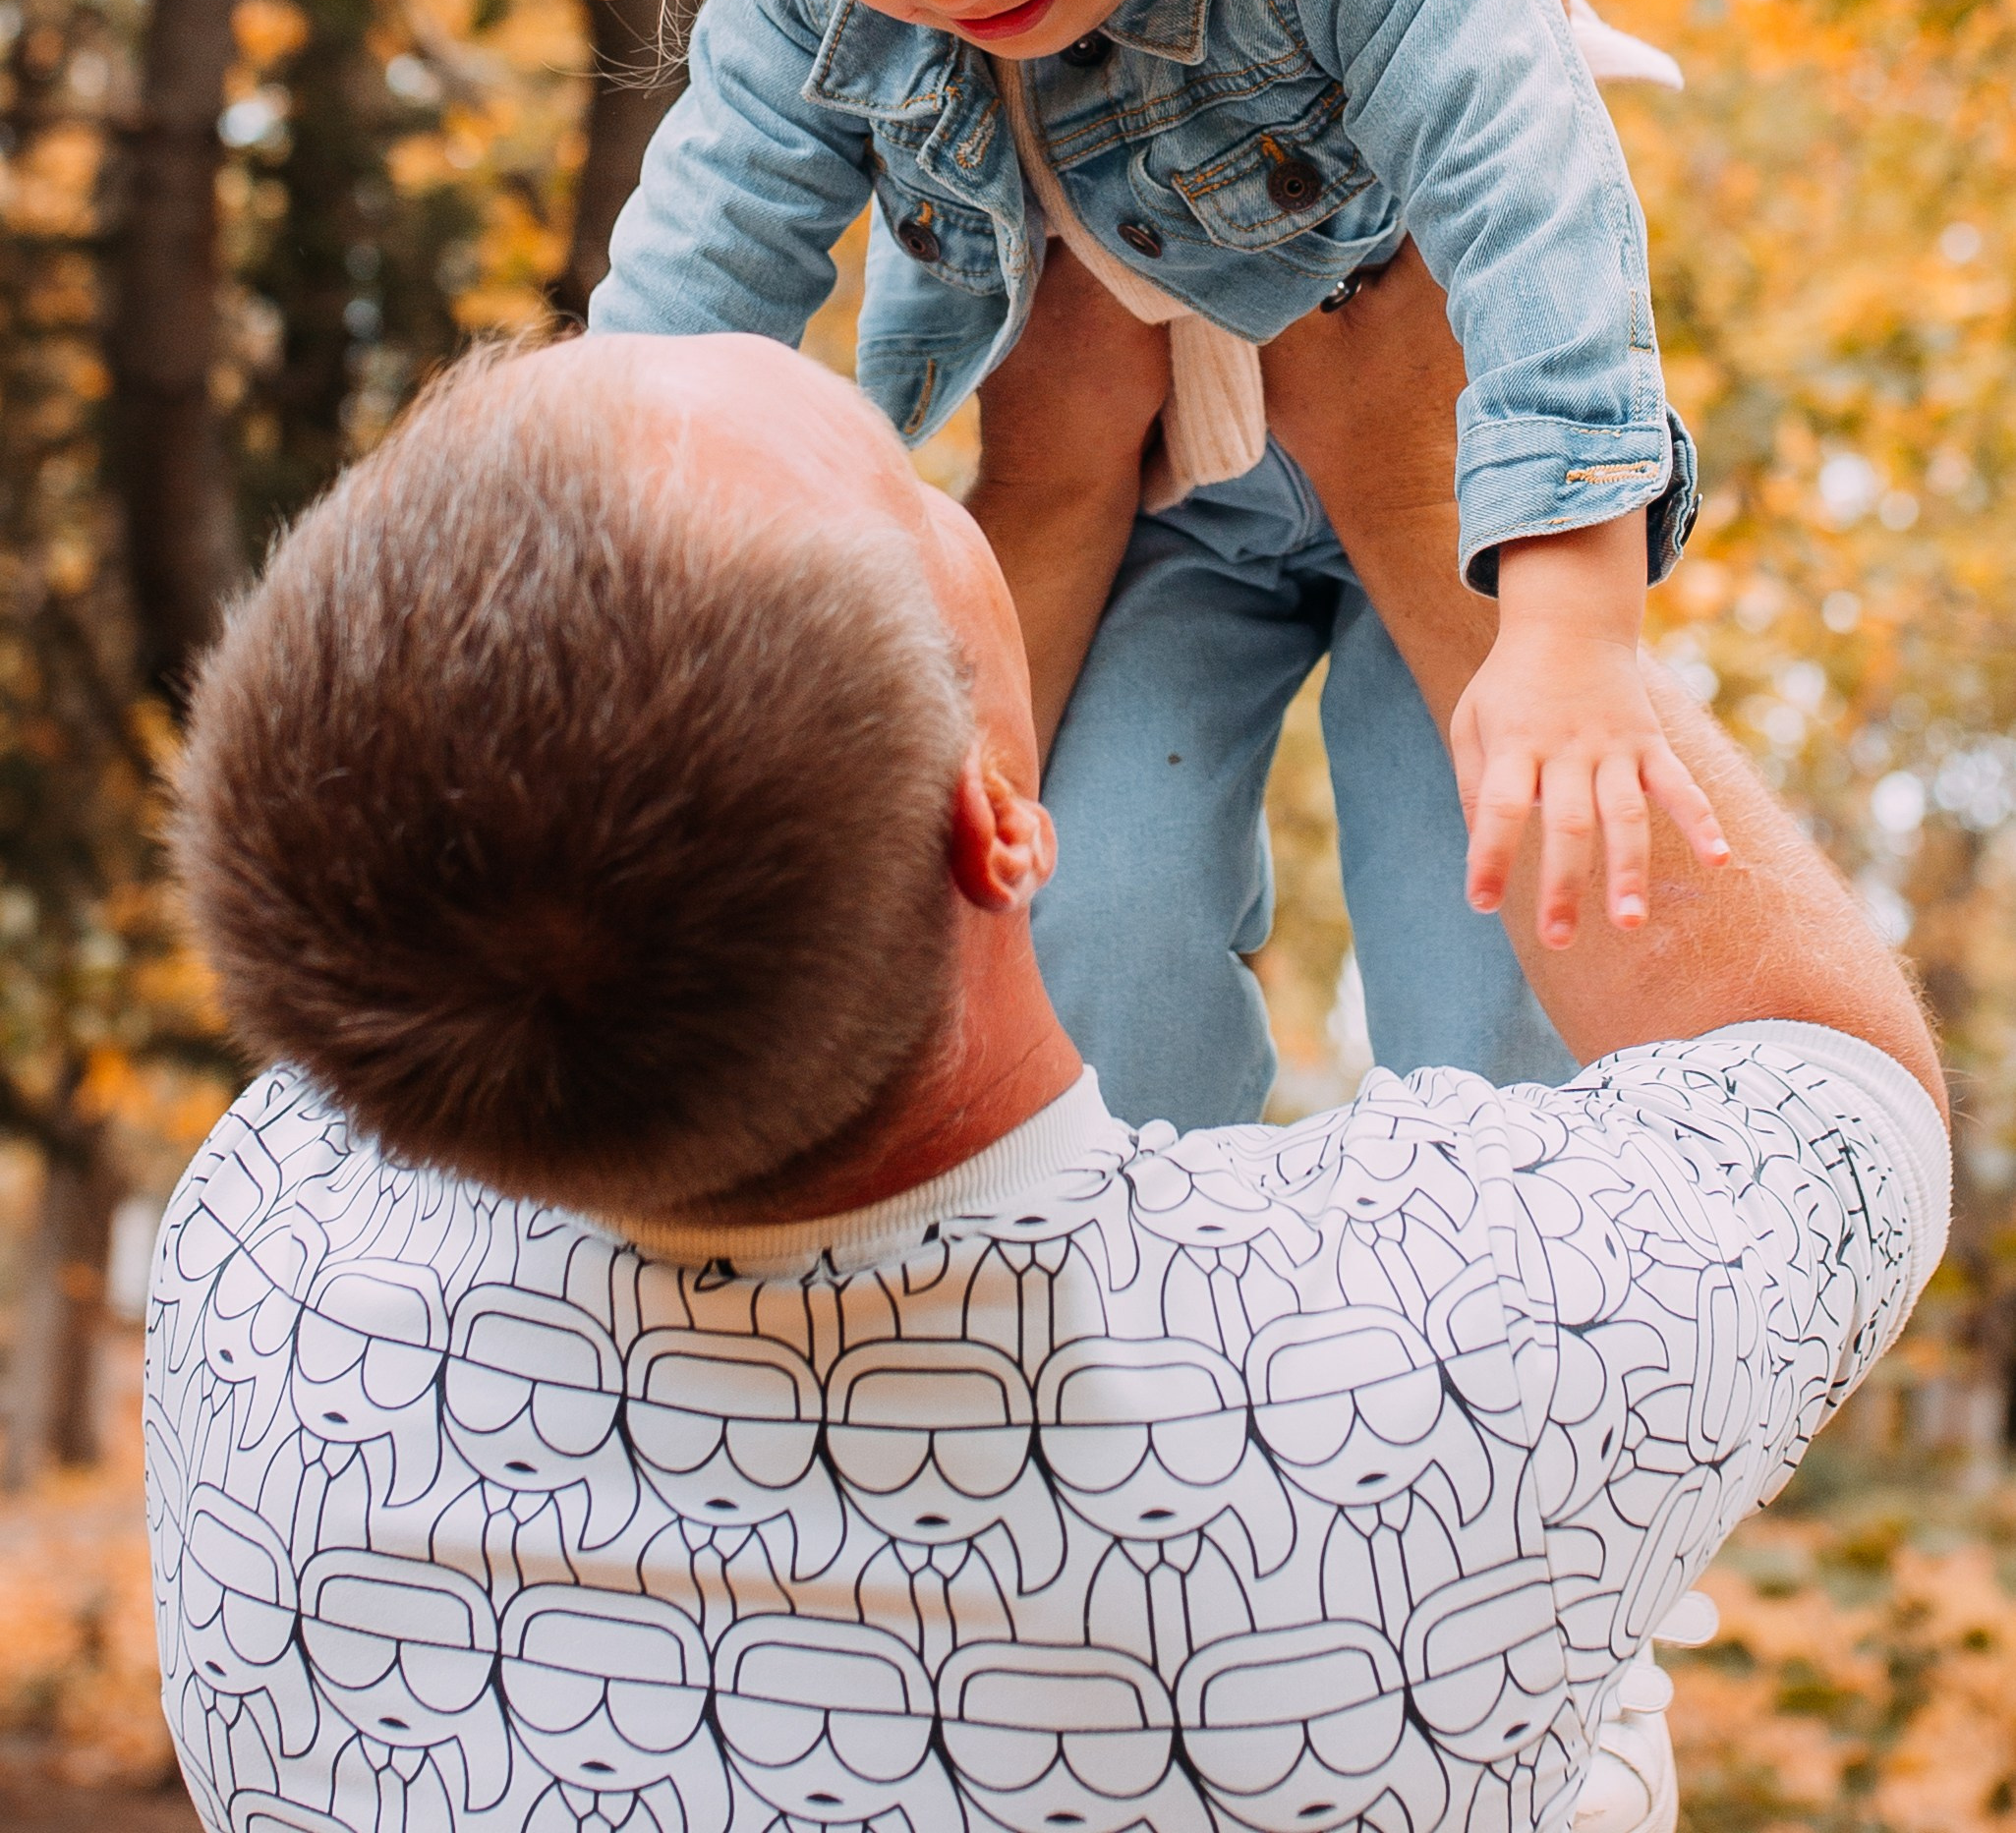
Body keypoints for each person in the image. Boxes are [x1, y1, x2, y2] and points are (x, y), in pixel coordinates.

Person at [148, 250, 1947, 1833]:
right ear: (991, 827)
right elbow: (1838, 1090)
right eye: (905, 486)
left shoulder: (282, 1264)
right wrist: (1417, 481)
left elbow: (803, 838)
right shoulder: (1393, 1394)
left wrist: (1050, 489)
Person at [587, 0, 1717, 1130]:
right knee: (1086, 925)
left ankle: (1503, 1279)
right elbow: (698, 286)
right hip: (1162, 512)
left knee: (1500, 907)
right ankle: (1136, 1307)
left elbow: (1537, 212)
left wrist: (1575, 627)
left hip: (1466, 475)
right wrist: (614, 575)